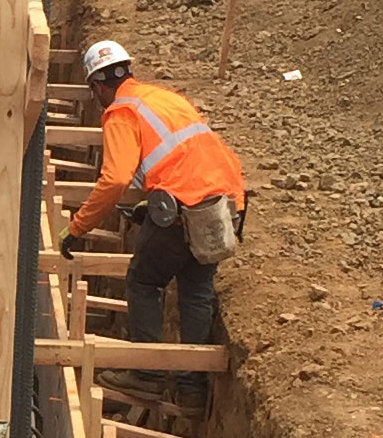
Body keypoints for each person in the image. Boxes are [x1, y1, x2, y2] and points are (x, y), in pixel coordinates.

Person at [58, 39, 246, 346]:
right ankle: (191, 388)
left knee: (143, 281)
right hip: (221, 206)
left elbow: (115, 180)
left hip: (182, 210)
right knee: (196, 292)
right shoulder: (165, 98)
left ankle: (146, 374)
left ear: (97, 86)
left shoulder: (121, 111)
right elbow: (183, 156)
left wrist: (77, 228)